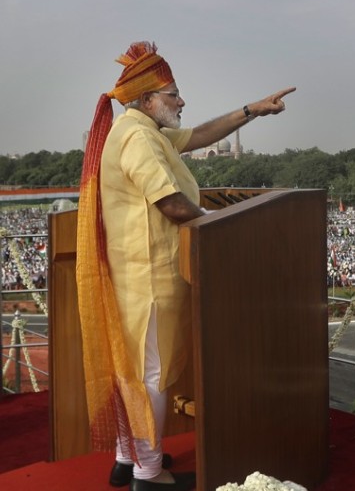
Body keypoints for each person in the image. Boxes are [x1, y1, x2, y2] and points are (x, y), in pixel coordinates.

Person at [76, 42, 294, 491]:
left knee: (135, 372)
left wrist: (252, 110)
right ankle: (149, 475)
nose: (181, 101)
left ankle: (127, 457)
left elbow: (197, 136)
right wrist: (225, 223)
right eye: (173, 93)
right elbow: (174, 206)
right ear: (147, 100)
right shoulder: (138, 136)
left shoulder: (142, 128)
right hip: (149, 279)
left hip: (141, 276)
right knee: (150, 376)